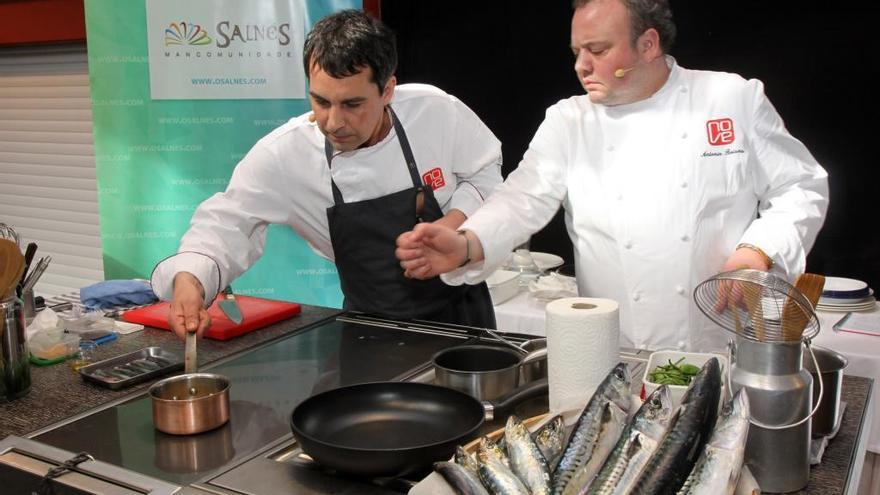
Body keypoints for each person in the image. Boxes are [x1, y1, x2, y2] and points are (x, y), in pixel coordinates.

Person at [396, 0, 829, 351]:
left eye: (598, 51)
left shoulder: (730, 98)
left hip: (715, 336)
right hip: (609, 347)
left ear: (648, 44)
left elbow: (800, 186)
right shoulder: (570, 121)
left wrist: (758, 250)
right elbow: (520, 199)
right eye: (577, 53)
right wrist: (468, 242)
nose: (581, 66)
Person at [151, 10, 502, 339]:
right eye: (320, 102)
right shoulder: (286, 154)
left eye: (352, 105)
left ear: (388, 90)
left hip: (463, 318)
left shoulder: (434, 111)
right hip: (369, 330)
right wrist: (190, 280)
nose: (334, 122)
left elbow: (485, 173)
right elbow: (228, 222)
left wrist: (452, 222)